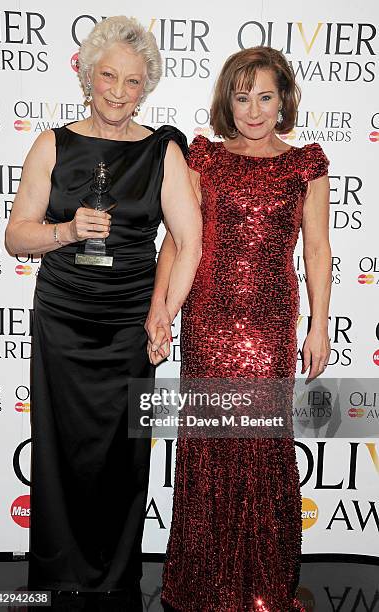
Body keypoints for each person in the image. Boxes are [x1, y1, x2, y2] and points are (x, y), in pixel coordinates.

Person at [5, 15, 201, 609]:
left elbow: (189, 241)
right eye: (109, 76)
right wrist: (65, 232)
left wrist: (163, 312)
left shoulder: (160, 150)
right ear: (87, 76)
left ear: (148, 87)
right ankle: (57, 575)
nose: (119, 92)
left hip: (127, 327)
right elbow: (17, 237)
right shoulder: (51, 144)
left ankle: (115, 578)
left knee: (123, 453)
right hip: (62, 320)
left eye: (133, 82)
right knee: (60, 449)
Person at [158, 47, 331, 611]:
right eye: (242, 97)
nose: (253, 110)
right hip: (209, 317)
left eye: (264, 96)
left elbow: (318, 250)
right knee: (211, 442)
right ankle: (204, 583)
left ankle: (262, 584)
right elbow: (181, 241)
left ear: (283, 100)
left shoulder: (305, 164)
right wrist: (160, 308)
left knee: (260, 442)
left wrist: (319, 325)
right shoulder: (203, 157)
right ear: (226, 101)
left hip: (270, 322)